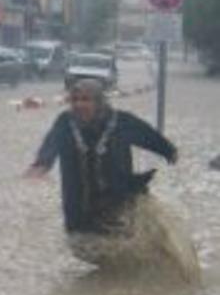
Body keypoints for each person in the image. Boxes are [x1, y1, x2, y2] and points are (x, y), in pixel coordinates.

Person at [26, 78, 180, 266]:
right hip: (79, 206)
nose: (79, 105)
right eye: (75, 100)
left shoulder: (121, 122)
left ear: (99, 102)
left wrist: (168, 151)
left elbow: (147, 135)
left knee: (128, 247)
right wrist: (41, 164)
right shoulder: (65, 123)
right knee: (86, 247)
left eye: (85, 99)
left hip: (117, 200)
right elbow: (51, 143)